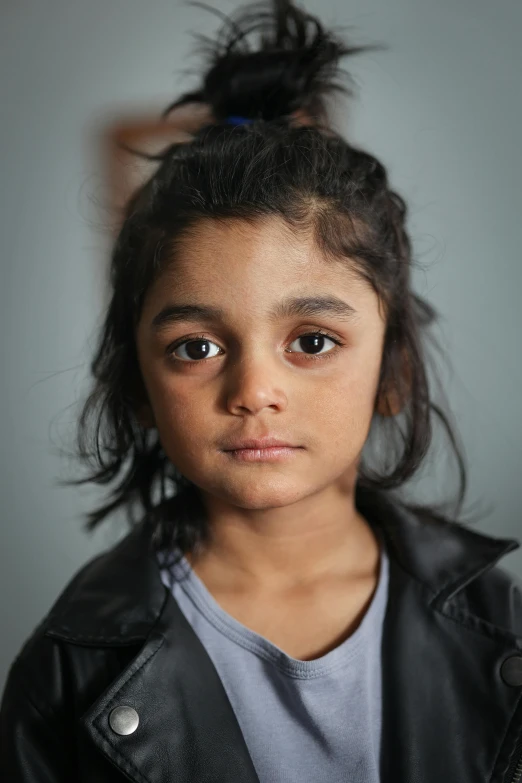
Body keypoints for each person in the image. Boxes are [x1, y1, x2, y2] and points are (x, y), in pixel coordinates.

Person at [2, 1, 522, 781]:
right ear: (139, 386)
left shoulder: (503, 625)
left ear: (393, 373)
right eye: (196, 347)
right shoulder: (66, 668)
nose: (254, 390)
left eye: (311, 342)